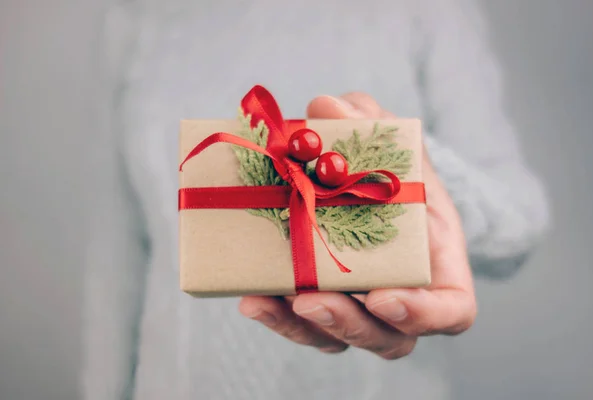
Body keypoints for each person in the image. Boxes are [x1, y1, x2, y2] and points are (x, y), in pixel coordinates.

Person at [84, 0, 549, 399]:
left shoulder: (420, 10)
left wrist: (406, 167)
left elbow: (520, 220)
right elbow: (117, 264)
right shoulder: (136, 18)